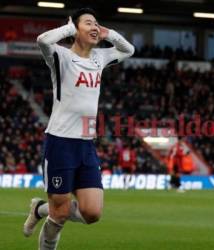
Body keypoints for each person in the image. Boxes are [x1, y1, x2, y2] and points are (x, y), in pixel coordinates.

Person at [23, 8, 134, 250]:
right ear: (75, 29)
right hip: (60, 142)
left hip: (86, 143)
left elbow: (129, 50)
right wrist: (69, 27)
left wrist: (110, 33)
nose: (94, 27)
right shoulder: (60, 56)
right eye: (88, 23)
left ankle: (38, 208)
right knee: (60, 213)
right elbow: (42, 39)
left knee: (92, 213)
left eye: (97, 23)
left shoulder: (99, 58)